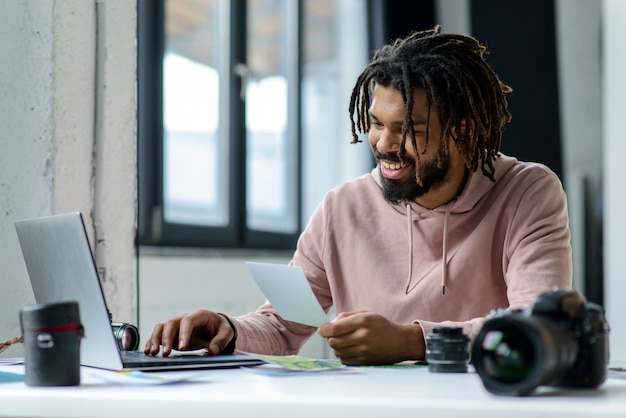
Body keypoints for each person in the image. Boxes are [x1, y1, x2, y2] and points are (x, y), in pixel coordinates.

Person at [144, 26, 572, 366]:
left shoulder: (527, 192)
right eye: (376, 123)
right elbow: (282, 326)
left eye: (408, 130)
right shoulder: (341, 208)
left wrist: (412, 341)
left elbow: (538, 324)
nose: (384, 144)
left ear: (461, 130)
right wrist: (228, 329)